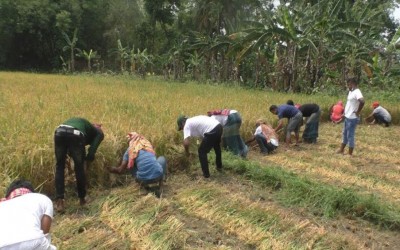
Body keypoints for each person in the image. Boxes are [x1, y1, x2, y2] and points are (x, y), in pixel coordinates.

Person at [54, 117, 104, 212]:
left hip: (59, 131)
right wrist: (88, 160)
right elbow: (92, 151)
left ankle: (59, 202)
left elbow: (69, 144)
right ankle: (82, 199)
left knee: (59, 167)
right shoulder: (99, 133)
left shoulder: (83, 124)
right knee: (79, 168)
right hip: (76, 134)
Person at [0, 179, 56, 250]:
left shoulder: (2, 204)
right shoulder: (42, 198)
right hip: (34, 242)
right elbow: (44, 232)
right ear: (32, 193)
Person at [337, 78, 365, 156]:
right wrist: (344, 114)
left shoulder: (357, 92)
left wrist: (358, 111)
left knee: (350, 135)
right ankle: (341, 150)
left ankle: (350, 154)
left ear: (352, 84)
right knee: (345, 133)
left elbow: (362, 101)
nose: (348, 86)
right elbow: (349, 104)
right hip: (347, 117)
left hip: (352, 118)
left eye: (348, 84)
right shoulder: (351, 92)